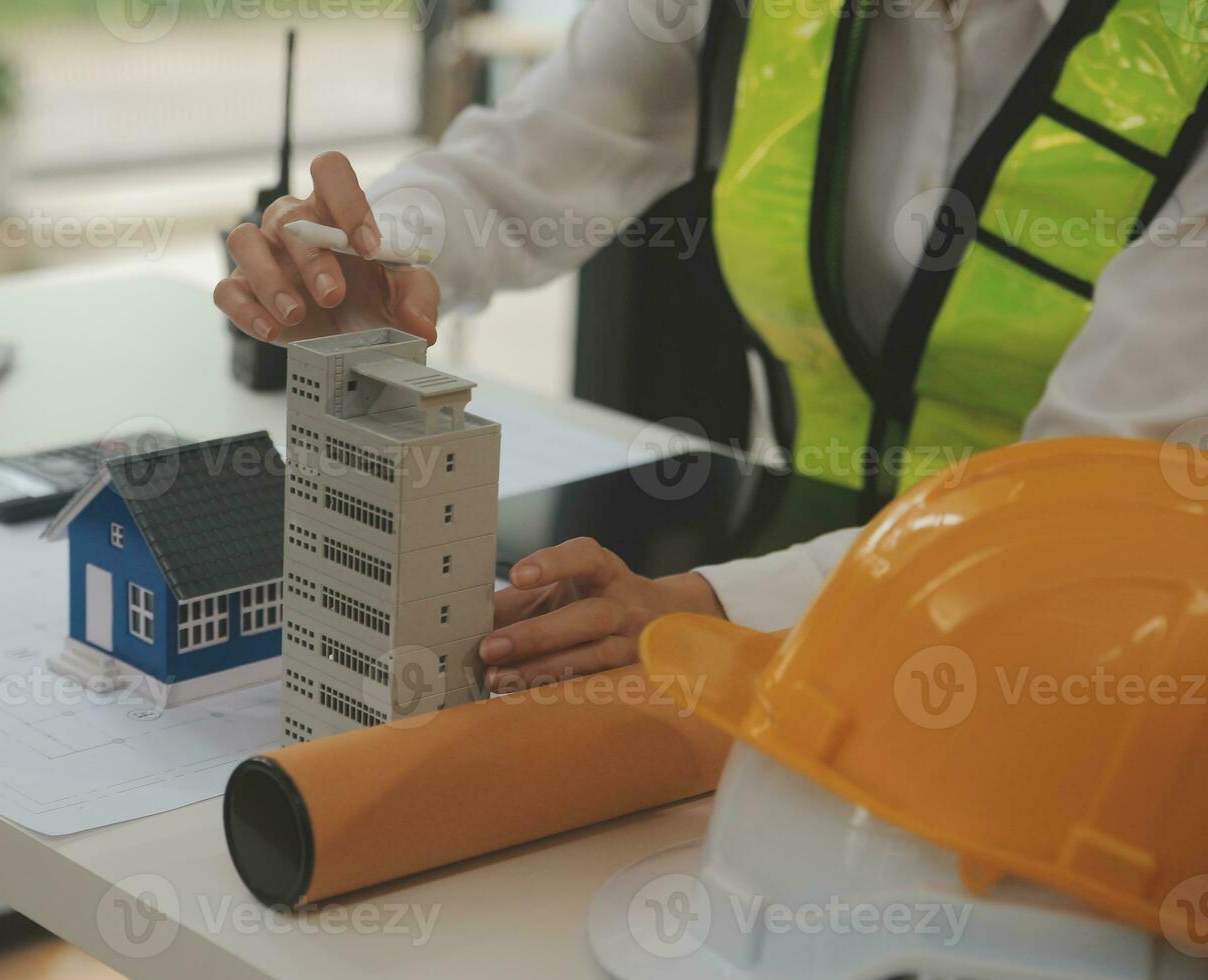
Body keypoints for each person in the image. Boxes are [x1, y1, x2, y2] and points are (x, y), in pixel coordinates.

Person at [215, 0, 1208, 691]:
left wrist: (709, 610)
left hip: (1096, 674)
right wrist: (370, 245)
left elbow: (1084, 498)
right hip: (793, 637)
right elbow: (522, 164)